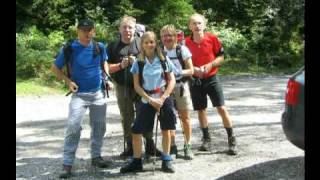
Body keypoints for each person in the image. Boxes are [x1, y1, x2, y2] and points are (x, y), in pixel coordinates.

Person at [51, 19, 111, 179]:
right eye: (83, 30)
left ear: (93, 31)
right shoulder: (69, 48)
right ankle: (67, 163)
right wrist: (68, 81)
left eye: (89, 30)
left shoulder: (100, 47)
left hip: (98, 94)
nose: (86, 33)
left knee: (99, 126)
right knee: (73, 126)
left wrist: (107, 78)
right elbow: (55, 68)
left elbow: (104, 62)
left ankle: (96, 157)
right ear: (78, 31)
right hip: (79, 95)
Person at [120, 31, 176, 173]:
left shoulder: (163, 60)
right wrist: (151, 100)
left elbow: (171, 80)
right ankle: (137, 161)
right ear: (142, 45)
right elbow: (137, 86)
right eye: (146, 42)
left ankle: (166, 160)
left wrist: (163, 98)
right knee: (136, 130)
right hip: (147, 99)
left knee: (166, 128)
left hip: (164, 97)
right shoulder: (139, 63)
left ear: (155, 43)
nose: (149, 45)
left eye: (151, 42)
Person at [107, 15, 162, 158]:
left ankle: (149, 145)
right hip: (122, 85)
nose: (127, 30)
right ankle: (130, 146)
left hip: (142, 85)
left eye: (130, 27)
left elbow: (153, 61)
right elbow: (106, 68)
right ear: (119, 29)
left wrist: (137, 60)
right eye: (124, 27)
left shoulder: (142, 42)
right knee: (126, 116)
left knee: (145, 113)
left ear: (134, 29)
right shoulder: (112, 46)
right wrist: (121, 65)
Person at [185, 13, 237, 155]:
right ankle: (206, 139)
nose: (197, 26)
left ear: (204, 25)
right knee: (201, 110)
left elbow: (221, 56)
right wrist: (193, 69)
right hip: (195, 80)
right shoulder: (185, 43)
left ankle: (232, 140)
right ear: (190, 26)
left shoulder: (212, 38)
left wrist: (211, 64)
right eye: (194, 23)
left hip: (212, 78)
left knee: (221, 107)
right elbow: (183, 61)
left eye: (199, 23)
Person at [160, 25, 194, 160]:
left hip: (181, 86)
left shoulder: (182, 50)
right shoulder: (160, 51)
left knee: (185, 117)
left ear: (175, 36)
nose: (167, 38)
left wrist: (177, 72)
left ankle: (188, 145)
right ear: (161, 38)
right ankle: (172, 145)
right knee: (169, 118)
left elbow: (191, 70)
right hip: (166, 87)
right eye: (164, 36)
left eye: (170, 35)